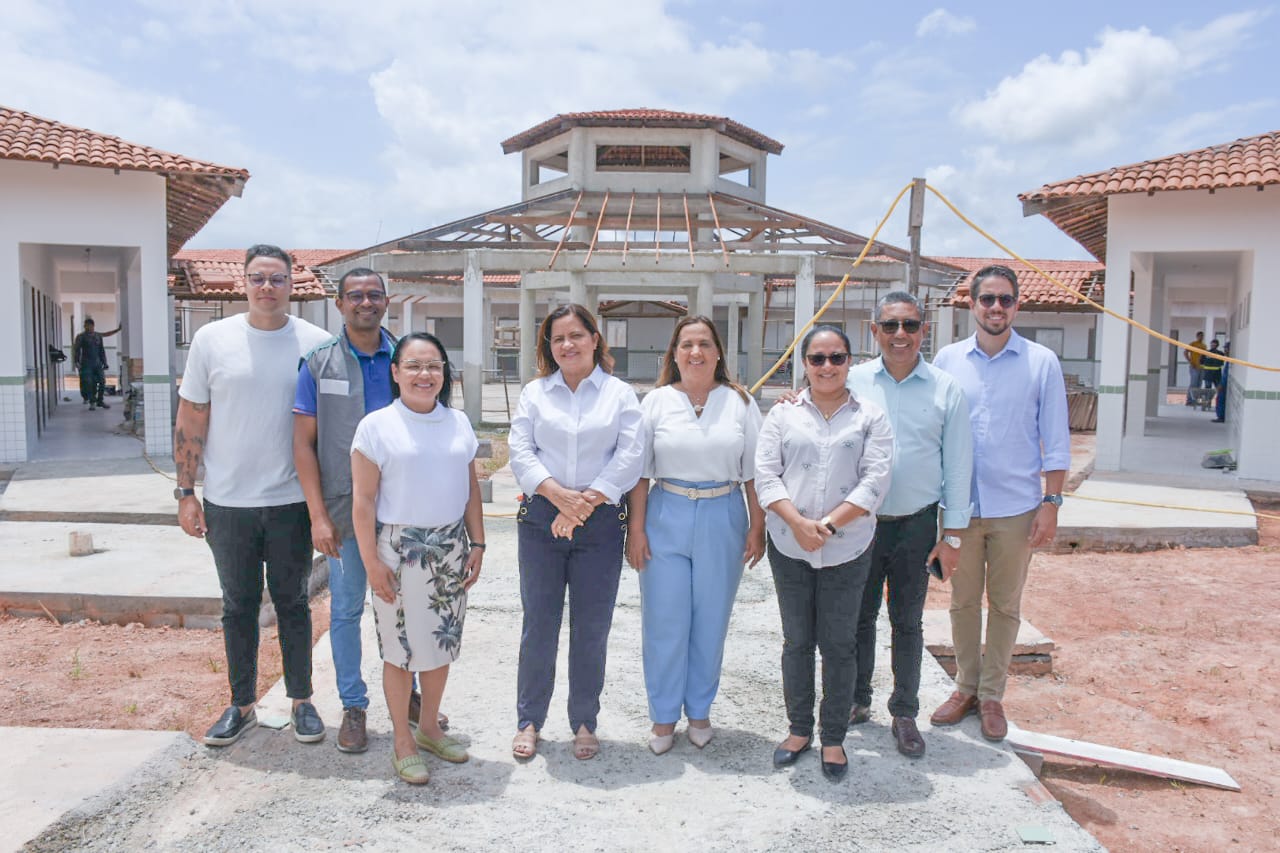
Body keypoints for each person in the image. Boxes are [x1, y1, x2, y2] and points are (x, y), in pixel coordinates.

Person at [175, 244, 332, 748]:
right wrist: (186, 491)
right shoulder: (212, 339)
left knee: (292, 602)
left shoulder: (316, 342)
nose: (268, 287)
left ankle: (302, 701)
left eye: (277, 279)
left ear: (292, 285)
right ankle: (241, 703)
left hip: (290, 501)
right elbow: (192, 418)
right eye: (258, 278)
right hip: (227, 502)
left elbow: (329, 426)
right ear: (243, 283)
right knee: (238, 605)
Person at [293, 268, 447, 753]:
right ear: (339, 304)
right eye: (355, 295)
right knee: (346, 611)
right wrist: (317, 515)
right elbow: (302, 444)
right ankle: (354, 706)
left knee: (412, 610)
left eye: (374, 295)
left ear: (386, 301)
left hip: (406, 517)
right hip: (344, 514)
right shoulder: (318, 363)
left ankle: (412, 699)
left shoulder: (407, 358)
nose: (365, 302)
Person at [930, 264, 1070, 742]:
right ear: (971, 303)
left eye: (1004, 300)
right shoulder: (947, 361)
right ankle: (964, 686)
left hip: (1016, 507)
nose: (995, 307)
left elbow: (1055, 440)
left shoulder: (1041, 362)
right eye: (986, 299)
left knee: (1005, 605)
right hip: (960, 509)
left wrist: (1050, 502)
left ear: (1017, 305)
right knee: (962, 601)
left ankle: (992, 696)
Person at [755, 324, 894, 782]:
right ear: (805, 364)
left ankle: (833, 738)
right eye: (818, 358)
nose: (828, 366)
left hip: (847, 548)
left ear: (850, 361)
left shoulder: (870, 416)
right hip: (789, 546)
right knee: (797, 642)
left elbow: (875, 480)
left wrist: (829, 525)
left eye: (837, 357)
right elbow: (766, 476)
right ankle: (798, 731)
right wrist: (797, 523)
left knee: (838, 645)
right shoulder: (782, 415)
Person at [508, 304, 644, 762]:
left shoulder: (620, 394)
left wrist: (584, 503)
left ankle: (584, 720)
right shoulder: (535, 393)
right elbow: (521, 451)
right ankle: (529, 719)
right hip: (541, 520)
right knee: (539, 624)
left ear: (594, 339)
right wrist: (559, 498)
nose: (568, 345)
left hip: (601, 522)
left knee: (591, 628)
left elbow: (629, 456)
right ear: (549, 346)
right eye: (557, 338)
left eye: (576, 335)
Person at [626, 316, 766, 755]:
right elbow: (640, 474)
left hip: (722, 513)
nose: (696, 352)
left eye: (705, 343)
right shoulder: (656, 403)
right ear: (674, 353)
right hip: (666, 512)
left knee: (710, 619)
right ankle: (664, 716)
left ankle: (700, 711)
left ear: (719, 352)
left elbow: (755, 474)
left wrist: (757, 525)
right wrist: (636, 529)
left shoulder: (740, 402)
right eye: (686, 344)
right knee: (665, 620)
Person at [350, 332, 484, 785]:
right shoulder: (376, 427)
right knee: (399, 651)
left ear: (444, 373)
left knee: (441, 644)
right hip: (397, 550)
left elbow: (471, 490)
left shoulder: (459, 423)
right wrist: (372, 562)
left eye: (433, 366)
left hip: (449, 547)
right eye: (413, 366)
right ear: (395, 372)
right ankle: (402, 743)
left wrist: (478, 543)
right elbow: (363, 502)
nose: (424, 375)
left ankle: (427, 729)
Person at [845, 292, 973, 758]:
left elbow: (958, 466)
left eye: (911, 326)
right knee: (856, 619)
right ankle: (856, 702)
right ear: (873, 330)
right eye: (891, 325)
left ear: (925, 331)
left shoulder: (945, 389)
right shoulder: (853, 380)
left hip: (917, 524)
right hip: (860, 524)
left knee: (907, 622)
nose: (901, 335)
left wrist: (952, 536)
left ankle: (904, 712)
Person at [72, 317, 120, 410]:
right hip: (86, 364)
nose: (88, 328)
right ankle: (92, 401)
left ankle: (100, 401)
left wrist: (105, 362)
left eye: (90, 326)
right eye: (86, 326)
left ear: (93, 326)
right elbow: (76, 350)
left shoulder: (97, 336)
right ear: (84, 326)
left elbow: (102, 350)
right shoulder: (81, 337)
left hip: (97, 363)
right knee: (89, 383)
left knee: (102, 381)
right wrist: (76, 362)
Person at [1184, 331, 1207, 406]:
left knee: (1199, 384)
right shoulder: (1193, 344)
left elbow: (1204, 357)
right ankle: (1189, 400)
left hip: (1201, 367)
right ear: (1197, 336)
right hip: (1194, 367)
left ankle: (1197, 400)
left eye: (1202, 336)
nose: (1201, 337)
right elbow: (1185, 352)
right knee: (1193, 384)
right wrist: (1190, 362)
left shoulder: (1204, 346)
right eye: (1199, 336)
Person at [1213, 342, 1230, 423]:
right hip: (1222, 383)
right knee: (1219, 399)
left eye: (1226, 348)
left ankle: (1221, 416)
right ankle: (1220, 416)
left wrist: (1222, 385)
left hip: (1224, 385)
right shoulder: (1227, 360)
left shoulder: (1230, 361)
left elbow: (1226, 376)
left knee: (1221, 400)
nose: (1225, 351)